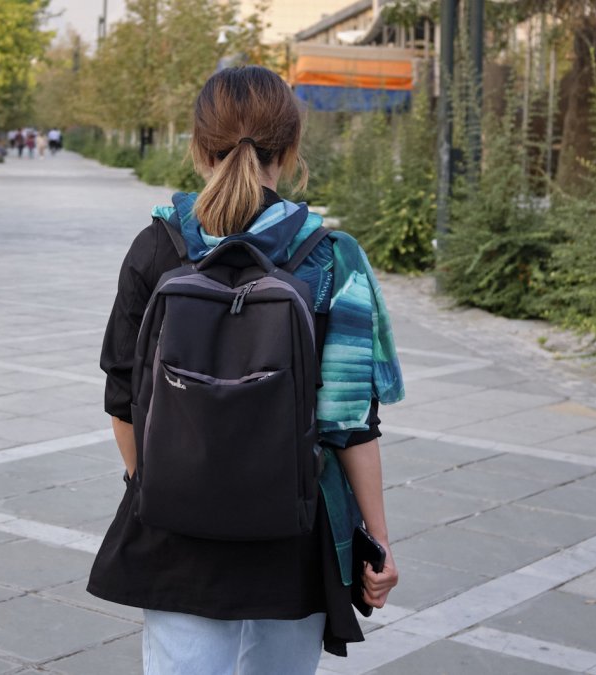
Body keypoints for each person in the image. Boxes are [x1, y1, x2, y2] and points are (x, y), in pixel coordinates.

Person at [90, 66, 402, 674]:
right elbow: (350, 424)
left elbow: (122, 401)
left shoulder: (156, 246)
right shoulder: (331, 258)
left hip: (177, 537)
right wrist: (379, 544)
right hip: (293, 536)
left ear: (198, 147)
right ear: (289, 149)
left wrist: (154, 488)